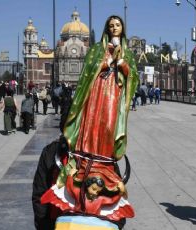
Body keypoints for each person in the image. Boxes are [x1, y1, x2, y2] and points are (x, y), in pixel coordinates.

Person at [41, 15, 138, 224]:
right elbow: (88, 72)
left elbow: (133, 78)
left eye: (118, 25)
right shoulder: (95, 50)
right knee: (93, 120)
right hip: (96, 95)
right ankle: (87, 151)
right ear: (106, 28)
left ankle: (103, 155)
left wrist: (123, 66)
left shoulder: (128, 52)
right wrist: (105, 63)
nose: (114, 28)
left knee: (109, 124)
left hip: (114, 96)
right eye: (111, 25)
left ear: (123, 27)